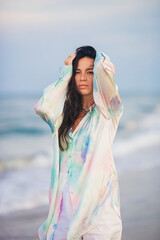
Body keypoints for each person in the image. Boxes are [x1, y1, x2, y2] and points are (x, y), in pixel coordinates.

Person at [34, 45, 124, 240]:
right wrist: (66, 72)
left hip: (99, 216)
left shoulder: (107, 113)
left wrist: (99, 59)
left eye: (89, 72)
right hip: (64, 215)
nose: (83, 78)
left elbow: (108, 79)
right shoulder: (64, 117)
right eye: (78, 72)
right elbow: (43, 107)